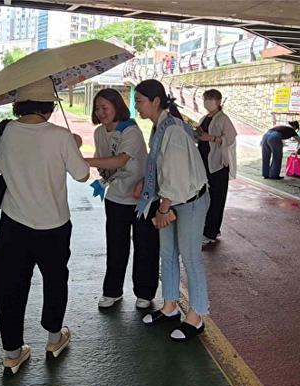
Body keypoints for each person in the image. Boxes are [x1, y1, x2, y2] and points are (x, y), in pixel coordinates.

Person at [0, 77, 90, 374]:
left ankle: (12, 353)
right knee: (55, 280)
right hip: (54, 225)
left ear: (20, 105)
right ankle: (54, 338)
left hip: (14, 224)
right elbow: (83, 175)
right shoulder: (60, 136)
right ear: (49, 106)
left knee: (9, 287)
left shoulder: (7, 132)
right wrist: (75, 144)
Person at [132, 79, 210, 342]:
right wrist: (147, 181)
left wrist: (163, 209)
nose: (136, 106)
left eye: (140, 101)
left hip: (188, 200)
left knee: (190, 258)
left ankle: (197, 316)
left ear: (155, 101)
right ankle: (170, 306)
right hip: (172, 198)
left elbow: (176, 176)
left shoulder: (173, 130)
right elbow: (161, 167)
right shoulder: (160, 127)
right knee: (167, 253)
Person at [83, 89, 159, 310]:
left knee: (145, 246)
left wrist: (80, 159)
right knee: (116, 246)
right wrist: (98, 170)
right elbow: (102, 161)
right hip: (116, 197)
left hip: (142, 197)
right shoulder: (99, 133)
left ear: (117, 107)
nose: (101, 112)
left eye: (105, 107)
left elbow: (119, 159)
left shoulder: (130, 130)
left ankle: (145, 292)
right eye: (97, 108)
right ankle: (112, 291)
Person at [196, 89, 237, 245]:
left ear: (219, 101)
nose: (207, 101)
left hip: (218, 165)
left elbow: (230, 138)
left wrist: (212, 138)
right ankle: (208, 227)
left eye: (211, 98)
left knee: (216, 199)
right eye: (205, 98)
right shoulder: (204, 118)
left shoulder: (223, 119)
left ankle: (210, 232)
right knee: (205, 198)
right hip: (204, 163)